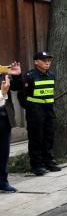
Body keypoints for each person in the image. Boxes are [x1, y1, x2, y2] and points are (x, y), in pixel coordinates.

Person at [15, 51, 60, 175]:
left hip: (49, 111)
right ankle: (36, 165)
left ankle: (48, 162)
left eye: (49, 60)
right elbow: (21, 94)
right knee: (36, 138)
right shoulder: (29, 76)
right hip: (35, 112)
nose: (47, 62)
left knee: (48, 136)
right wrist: (31, 107)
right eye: (44, 60)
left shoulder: (51, 75)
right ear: (36, 62)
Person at [0, 62, 21, 193]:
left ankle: (2, 181)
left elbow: (15, 87)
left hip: (3, 117)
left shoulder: (2, 71)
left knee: (3, 152)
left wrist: (17, 76)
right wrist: (2, 93)